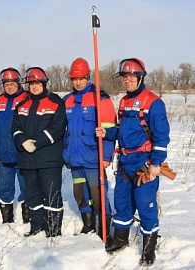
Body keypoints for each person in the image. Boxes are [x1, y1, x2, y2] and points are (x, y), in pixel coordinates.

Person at [96, 58, 170, 266]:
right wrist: (107, 132)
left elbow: (162, 136)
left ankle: (148, 249)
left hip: (144, 164)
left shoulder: (153, 103)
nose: (127, 81)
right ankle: (120, 240)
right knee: (122, 204)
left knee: (146, 207)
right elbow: (122, 130)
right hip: (125, 162)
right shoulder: (124, 102)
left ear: (140, 77)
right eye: (124, 77)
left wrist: (156, 163)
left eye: (131, 77)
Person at [63, 58, 117, 240]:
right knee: (80, 193)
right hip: (75, 158)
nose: (77, 82)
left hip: (94, 157)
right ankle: (88, 225)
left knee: (98, 193)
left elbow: (110, 131)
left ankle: (104, 229)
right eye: (74, 79)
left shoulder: (100, 99)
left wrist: (107, 155)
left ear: (88, 77)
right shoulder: (67, 100)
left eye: (81, 78)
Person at [12, 67, 66, 237]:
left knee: (51, 196)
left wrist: (37, 142)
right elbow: (15, 127)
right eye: (31, 83)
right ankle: (36, 227)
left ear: (44, 83)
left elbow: (58, 128)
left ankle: (53, 229)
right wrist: (22, 141)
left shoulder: (56, 103)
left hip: (49, 160)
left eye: (37, 83)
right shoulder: (21, 105)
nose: (34, 86)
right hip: (28, 160)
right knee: (32, 196)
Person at [0, 67, 29, 224]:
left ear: (18, 83)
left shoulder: (26, 98)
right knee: (4, 189)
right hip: (4, 154)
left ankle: (27, 219)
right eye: (6, 84)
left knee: (27, 187)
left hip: (22, 154)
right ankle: (7, 220)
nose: (9, 87)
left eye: (12, 84)